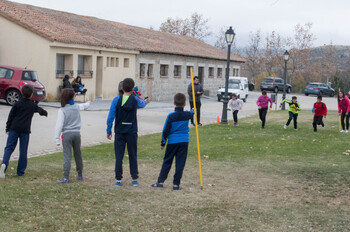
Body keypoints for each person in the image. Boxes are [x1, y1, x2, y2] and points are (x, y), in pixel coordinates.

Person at [106, 78, 150, 187]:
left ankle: (118, 179)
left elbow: (111, 116)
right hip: (132, 131)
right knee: (132, 155)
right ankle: (134, 178)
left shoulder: (116, 100)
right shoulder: (135, 100)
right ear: (132, 89)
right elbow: (142, 104)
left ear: (121, 88)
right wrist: (146, 101)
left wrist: (108, 130)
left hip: (120, 131)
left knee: (119, 155)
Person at [0, 85, 48, 179]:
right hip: (25, 130)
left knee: (9, 148)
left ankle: (4, 165)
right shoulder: (32, 105)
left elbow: (11, 116)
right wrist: (45, 113)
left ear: (21, 93)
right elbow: (39, 110)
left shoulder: (17, 104)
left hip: (14, 128)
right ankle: (20, 171)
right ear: (31, 95)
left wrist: (7, 128)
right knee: (23, 150)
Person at [151, 93, 194, 190]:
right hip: (184, 142)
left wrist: (163, 143)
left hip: (172, 142)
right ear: (184, 104)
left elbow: (165, 130)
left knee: (167, 161)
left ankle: (160, 182)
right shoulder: (187, 114)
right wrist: (194, 109)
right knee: (180, 163)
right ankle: (176, 184)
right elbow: (192, 112)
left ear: (174, 102)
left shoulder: (171, 116)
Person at [55, 88, 90, 183]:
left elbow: (59, 125)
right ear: (73, 97)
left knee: (67, 156)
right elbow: (85, 106)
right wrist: (89, 101)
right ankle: (80, 175)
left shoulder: (62, 110)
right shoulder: (77, 106)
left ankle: (66, 177)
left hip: (67, 134)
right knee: (78, 154)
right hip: (77, 134)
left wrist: (57, 139)